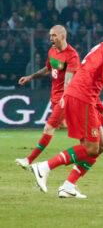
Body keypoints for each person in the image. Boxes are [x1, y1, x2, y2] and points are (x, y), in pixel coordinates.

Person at [29, 20, 103, 198]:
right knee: (91, 148)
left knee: (100, 145)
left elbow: (89, 76)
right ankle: (44, 167)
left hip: (84, 96)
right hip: (82, 97)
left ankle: (68, 186)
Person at [15, 25, 80, 169]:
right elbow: (48, 69)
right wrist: (30, 77)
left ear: (63, 36)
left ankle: (29, 160)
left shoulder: (72, 55)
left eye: (54, 36)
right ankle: (88, 128)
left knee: (48, 128)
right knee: (63, 126)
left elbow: (69, 82)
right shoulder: (52, 51)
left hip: (65, 98)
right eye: (50, 35)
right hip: (55, 97)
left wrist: (65, 99)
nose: (51, 38)